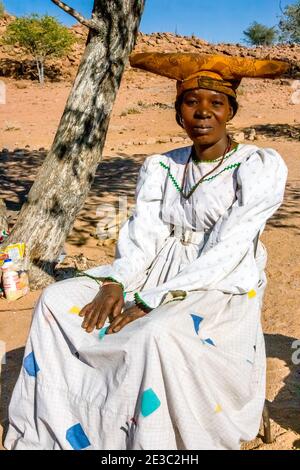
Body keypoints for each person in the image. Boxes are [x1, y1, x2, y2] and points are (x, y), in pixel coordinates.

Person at [4, 53, 289, 450]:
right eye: (191, 103)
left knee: (156, 331)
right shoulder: (162, 166)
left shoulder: (256, 165)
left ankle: (151, 442)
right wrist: (116, 282)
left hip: (220, 279)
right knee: (55, 299)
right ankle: (73, 426)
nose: (202, 113)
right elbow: (145, 234)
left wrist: (153, 299)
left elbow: (232, 245)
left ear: (230, 112)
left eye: (215, 104)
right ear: (178, 113)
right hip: (153, 268)